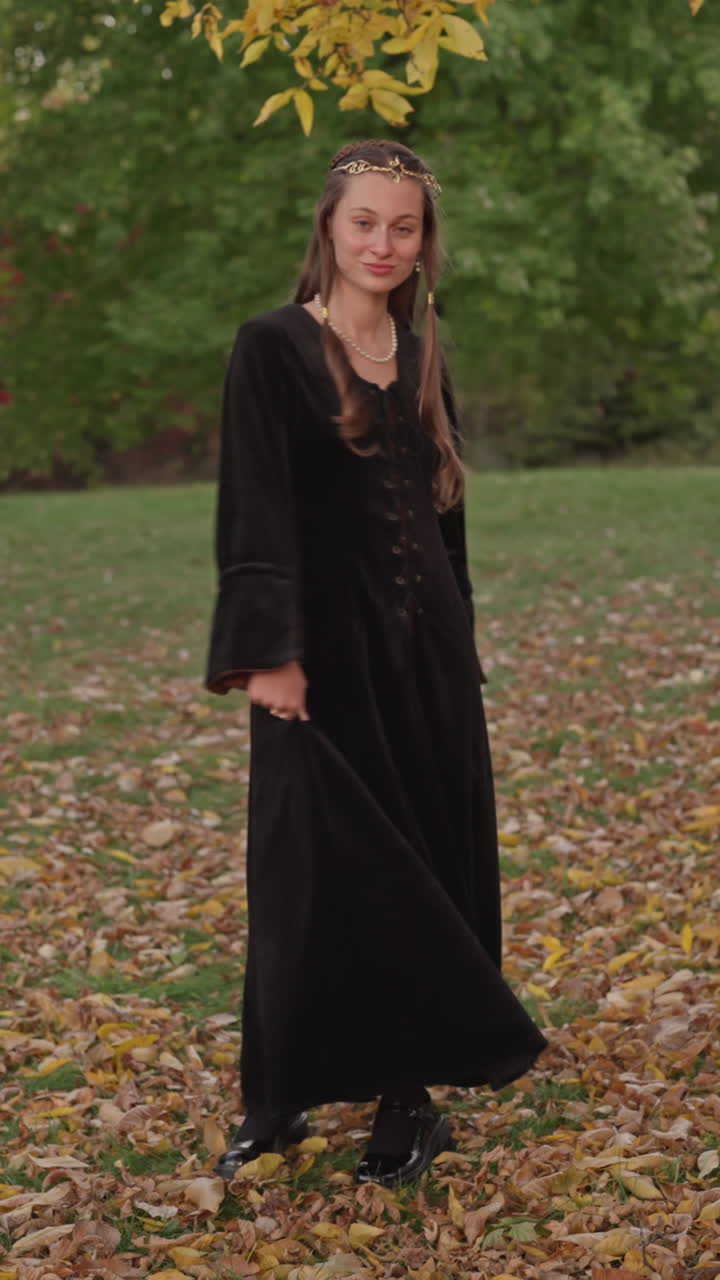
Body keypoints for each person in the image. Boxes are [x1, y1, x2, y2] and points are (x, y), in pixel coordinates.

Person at [204, 138, 548, 1188]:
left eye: (404, 226)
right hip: (318, 656)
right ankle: (280, 1090)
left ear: (422, 239)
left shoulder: (420, 351)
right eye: (365, 222)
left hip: (426, 654)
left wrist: (466, 645)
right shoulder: (272, 348)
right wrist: (268, 650)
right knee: (304, 870)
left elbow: (446, 523)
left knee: (427, 859)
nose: (383, 243)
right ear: (330, 228)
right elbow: (252, 504)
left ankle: (409, 1097)